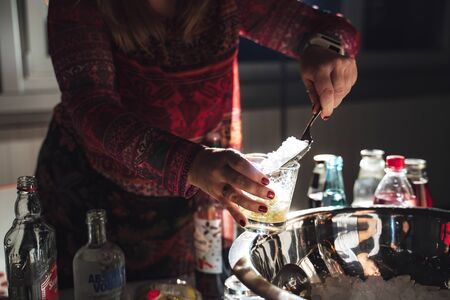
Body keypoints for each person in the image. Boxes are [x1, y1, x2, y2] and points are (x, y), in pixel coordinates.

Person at [36, 0, 359, 288]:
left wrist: (324, 48)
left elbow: (332, 29)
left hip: (197, 194)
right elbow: (91, 108)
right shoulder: (80, 5)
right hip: (94, 199)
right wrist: (191, 163)